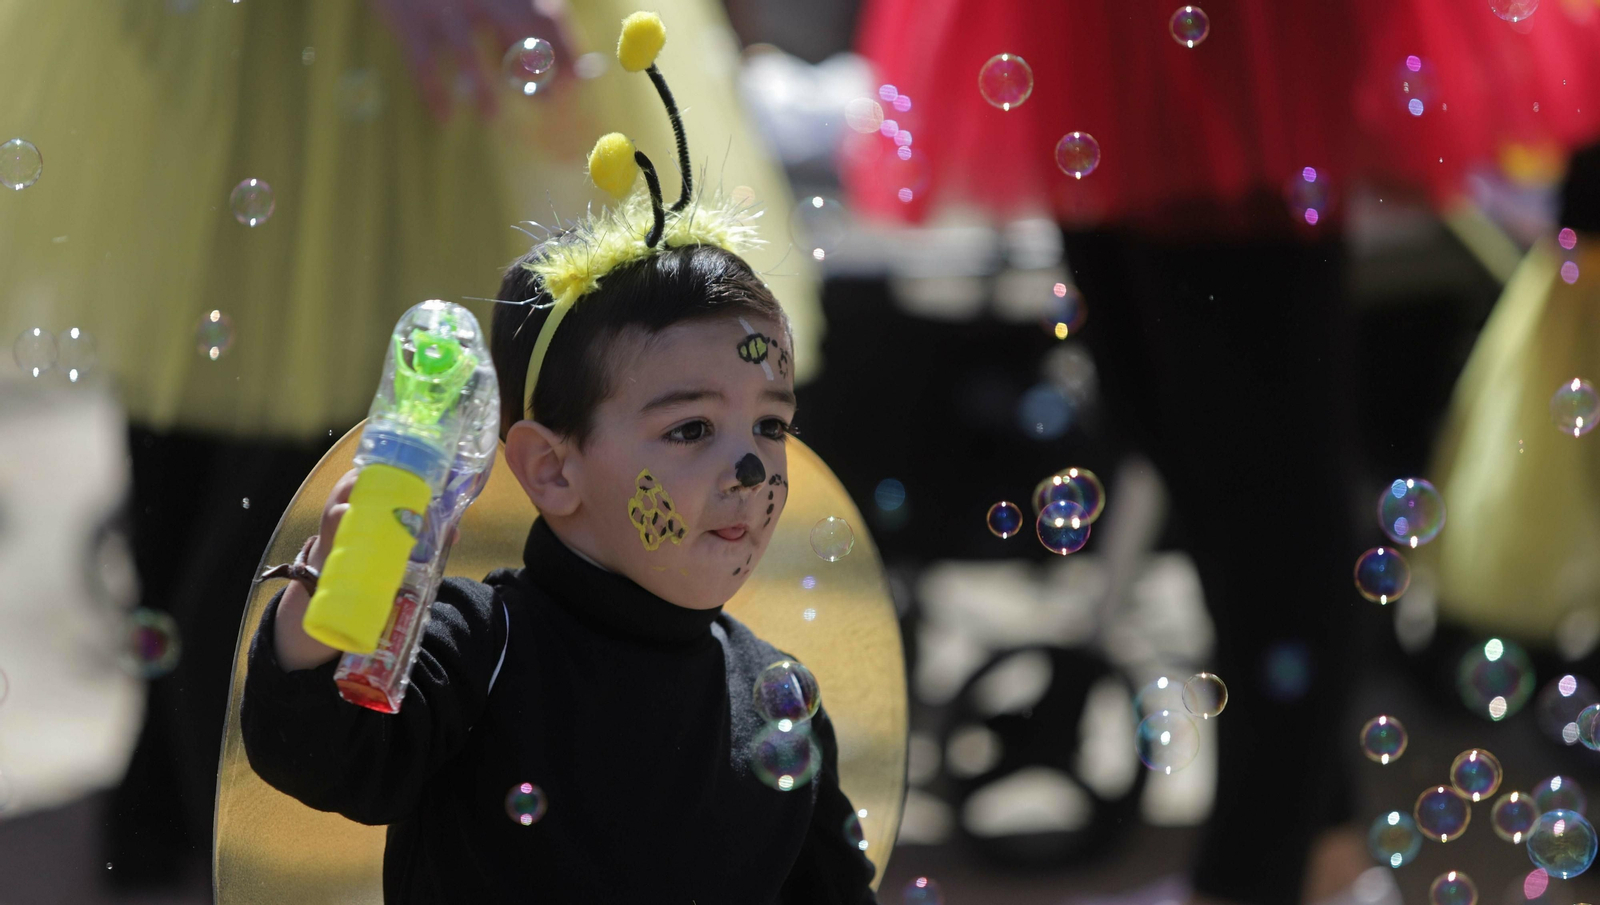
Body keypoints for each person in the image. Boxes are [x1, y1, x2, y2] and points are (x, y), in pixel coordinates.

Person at [239, 14, 878, 903]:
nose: (752, 471)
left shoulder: (778, 692)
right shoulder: (477, 644)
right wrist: (330, 606)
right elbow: (328, 759)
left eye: (770, 426)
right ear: (552, 469)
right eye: (692, 429)